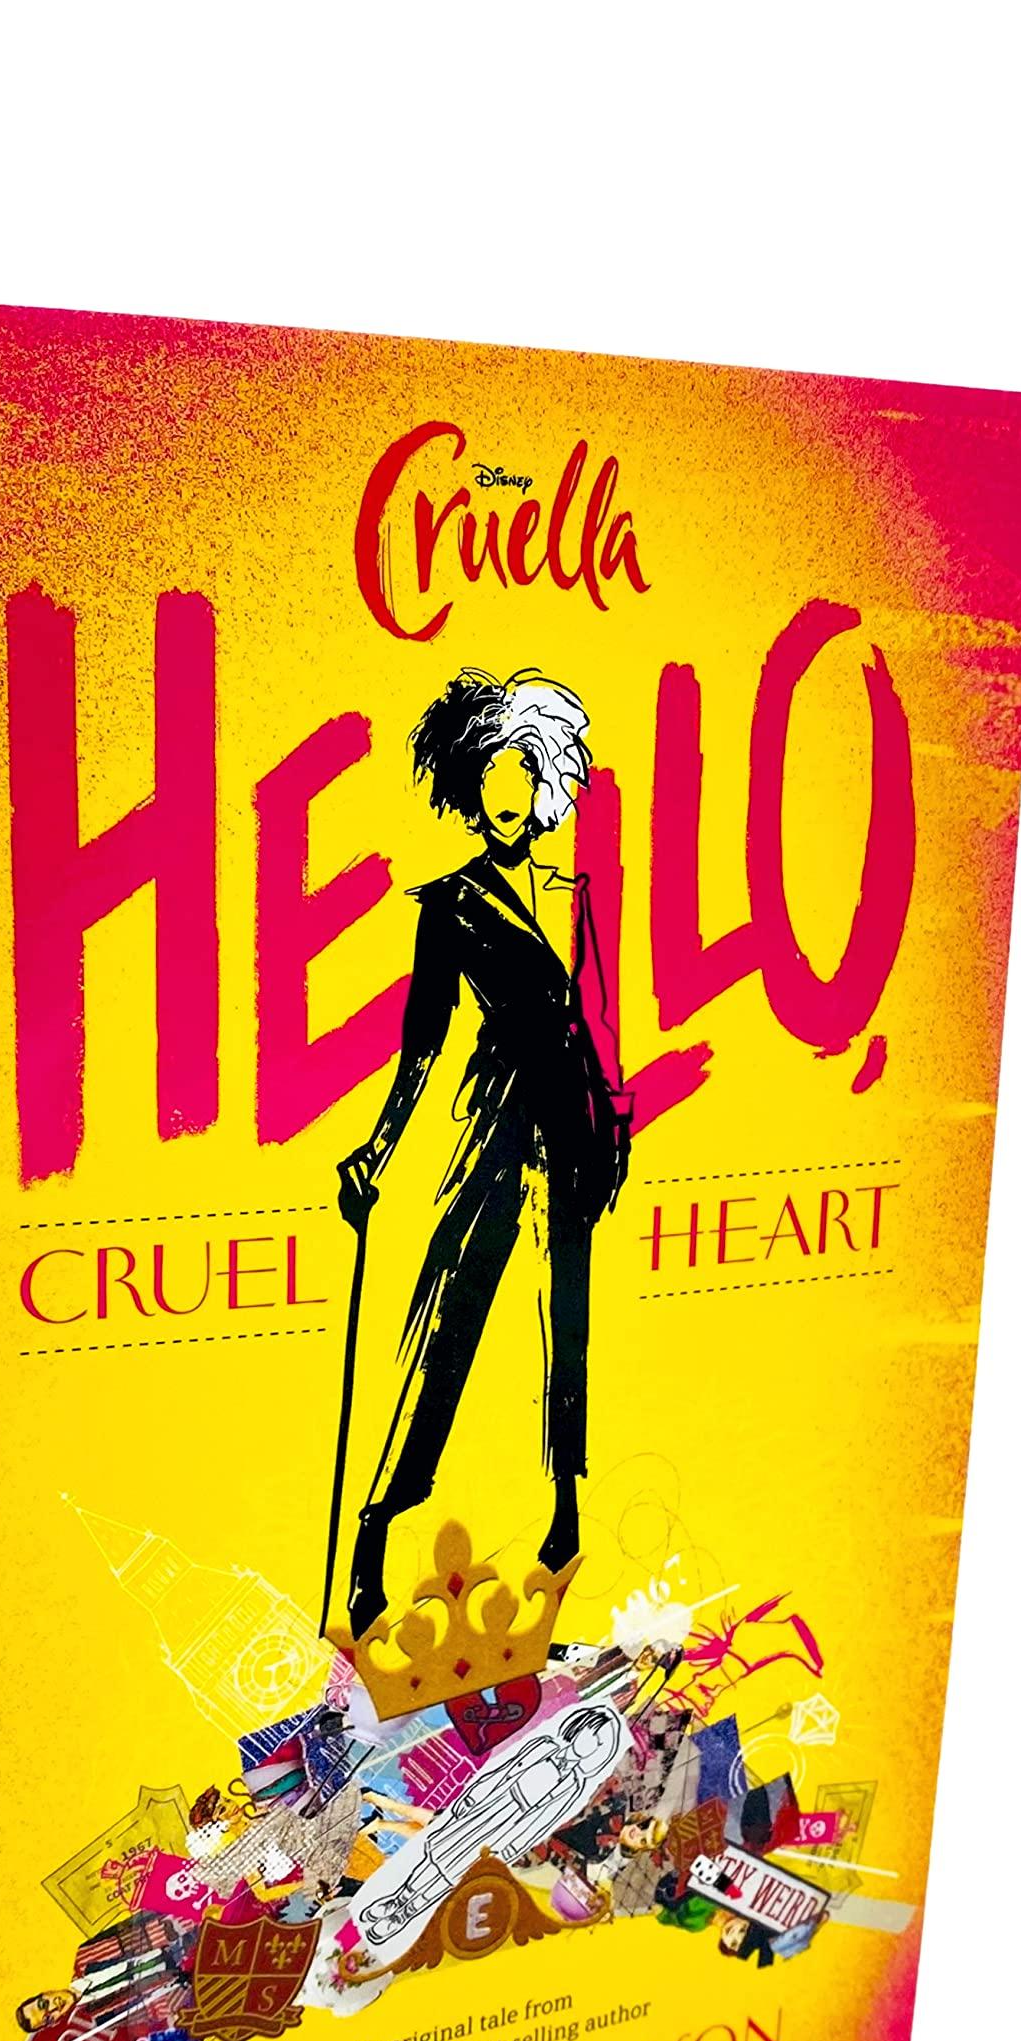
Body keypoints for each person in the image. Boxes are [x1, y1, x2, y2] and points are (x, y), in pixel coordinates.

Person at [337, 670, 630, 1635]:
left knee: (565, 1330)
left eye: (524, 772)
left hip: (574, 1131)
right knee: (446, 1320)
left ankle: (565, 1520)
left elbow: (600, 1017)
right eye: (492, 774)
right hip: (492, 1123)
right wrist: (378, 1150)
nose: (508, 793)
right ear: (471, 783)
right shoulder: (452, 901)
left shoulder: (576, 893)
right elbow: (421, 1041)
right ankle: (379, 1528)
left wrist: (616, 1121)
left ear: (545, 780)